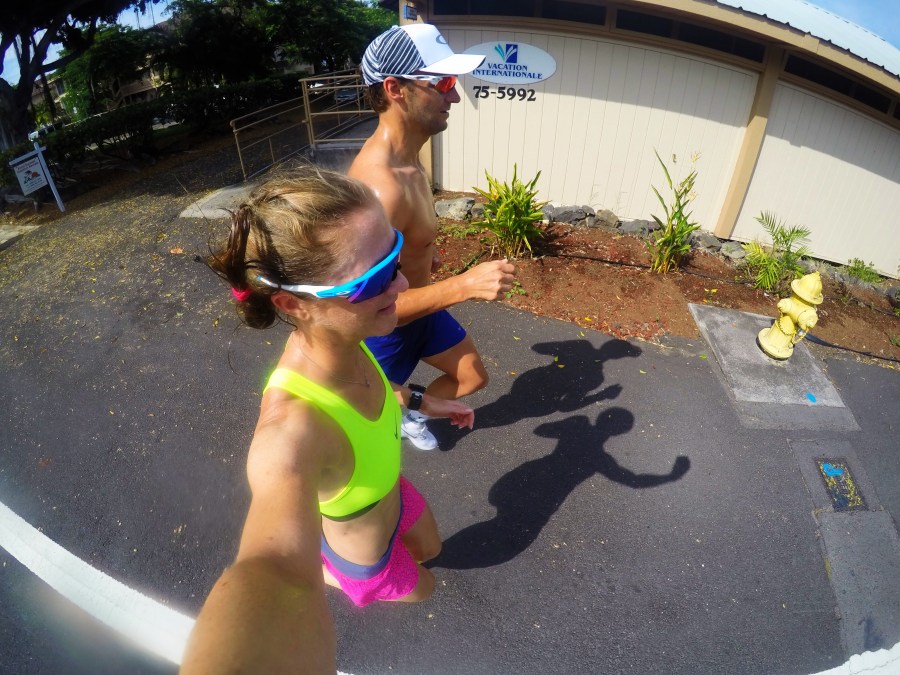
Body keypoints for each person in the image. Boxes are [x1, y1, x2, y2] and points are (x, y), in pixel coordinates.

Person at [180, 168, 474, 672]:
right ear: (294, 303)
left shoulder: (348, 336)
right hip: (365, 555)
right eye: (375, 278)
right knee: (425, 586)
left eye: (395, 254)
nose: (403, 281)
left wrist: (424, 401)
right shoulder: (291, 433)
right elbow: (270, 570)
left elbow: (377, 390)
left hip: (391, 492)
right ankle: (335, 573)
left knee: (431, 547)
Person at [349, 23, 517, 451]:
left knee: (472, 375)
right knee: (373, 436)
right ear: (395, 89)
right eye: (442, 83)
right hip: (385, 331)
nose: (454, 96)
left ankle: (411, 415)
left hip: (421, 307)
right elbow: (364, 307)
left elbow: (403, 245)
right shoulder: (380, 189)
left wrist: (424, 255)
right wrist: (465, 285)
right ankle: (401, 415)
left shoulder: (409, 161)